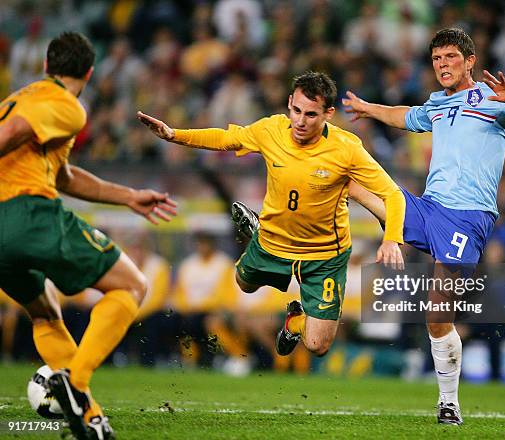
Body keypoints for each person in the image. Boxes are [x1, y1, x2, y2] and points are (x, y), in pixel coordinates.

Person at [342, 28, 505, 425]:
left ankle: (449, 402)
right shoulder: (437, 104)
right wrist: (367, 107)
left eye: (450, 57)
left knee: (437, 316)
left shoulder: (494, 98)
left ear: (469, 60)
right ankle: (280, 240)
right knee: (348, 181)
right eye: (437, 59)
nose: (443, 65)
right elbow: (406, 117)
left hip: (468, 217)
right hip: (430, 207)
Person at [137, 71, 405, 360]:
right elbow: (229, 138)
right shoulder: (272, 129)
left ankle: (296, 320)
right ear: (289, 103)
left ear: (329, 113)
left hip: (324, 255)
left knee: (318, 345)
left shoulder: (347, 149)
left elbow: (393, 194)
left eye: (311, 115)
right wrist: (175, 135)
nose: (300, 121)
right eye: (296, 110)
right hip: (275, 241)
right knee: (244, 284)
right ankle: (257, 233)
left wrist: (391, 239)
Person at [0, 32, 177, 440]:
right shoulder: (67, 106)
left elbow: (64, 176)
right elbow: (12, 133)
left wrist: (129, 196)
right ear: (90, 73)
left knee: (45, 313)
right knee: (131, 285)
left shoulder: (24, 96)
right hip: (29, 213)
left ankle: (91, 419)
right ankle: (77, 384)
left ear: (46, 65)